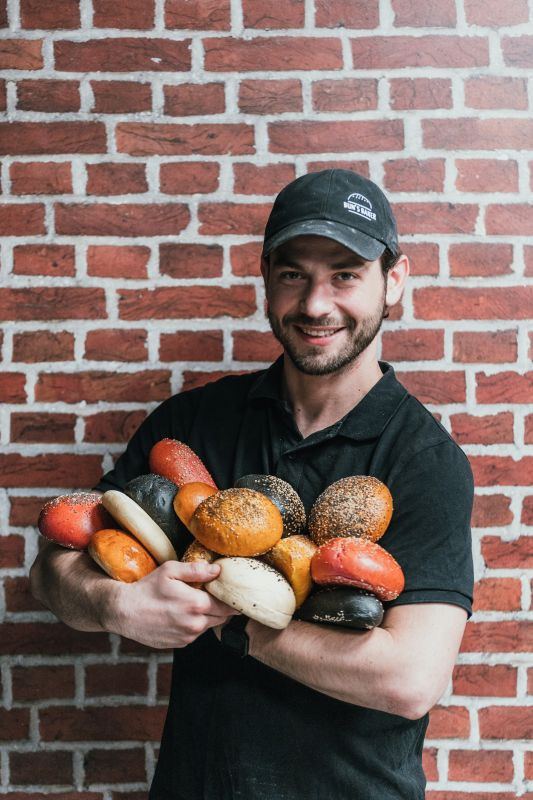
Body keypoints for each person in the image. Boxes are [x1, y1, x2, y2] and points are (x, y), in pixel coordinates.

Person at [30, 169, 474, 800]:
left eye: (345, 275)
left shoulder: (424, 460)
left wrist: (233, 622)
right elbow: (51, 569)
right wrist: (114, 605)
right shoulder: (191, 425)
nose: (315, 304)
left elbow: (409, 680)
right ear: (266, 277)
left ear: (393, 280)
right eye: (294, 274)